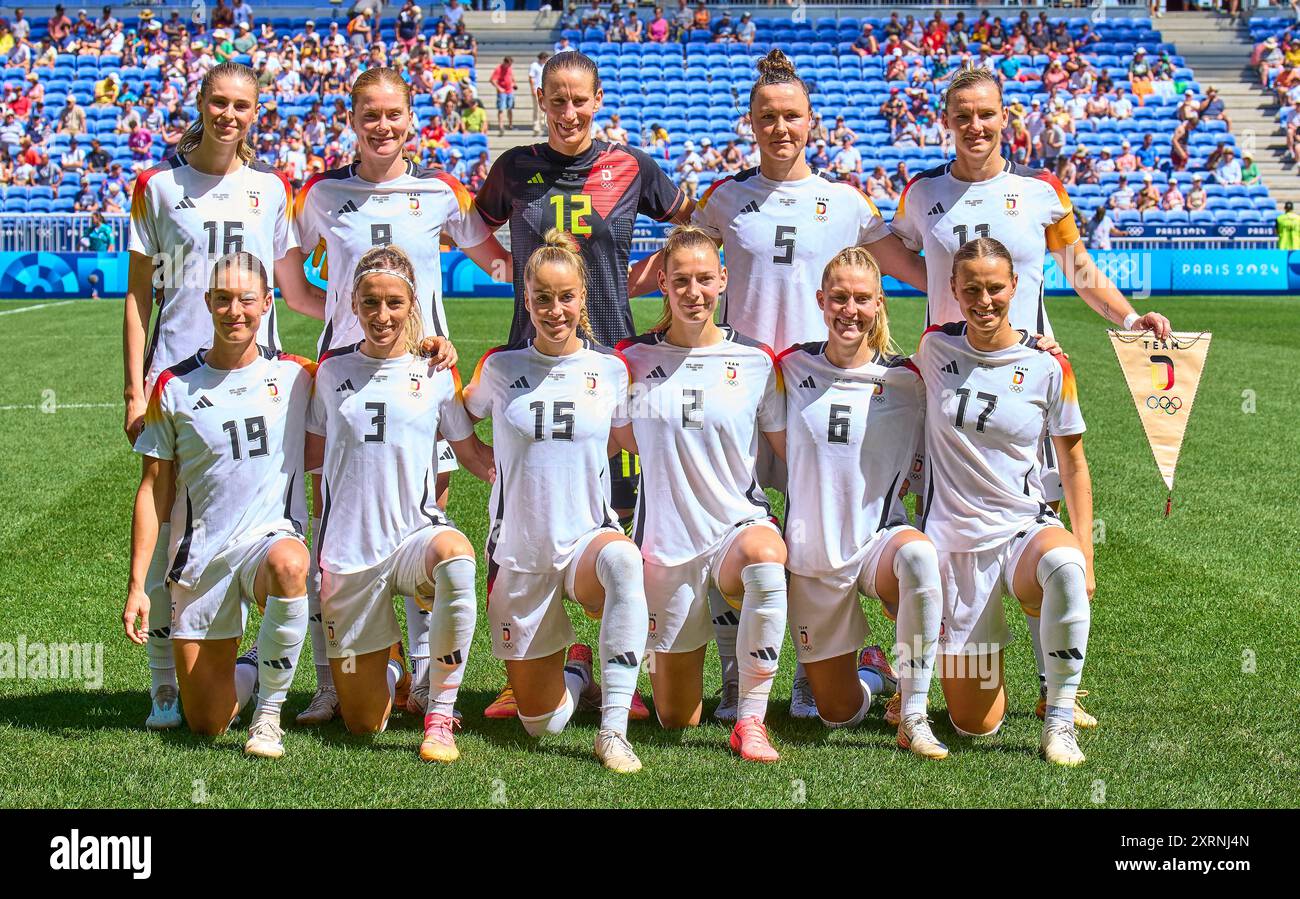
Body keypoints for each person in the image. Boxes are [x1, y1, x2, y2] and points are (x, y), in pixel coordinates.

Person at [630, 49, 926, 721]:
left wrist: (990, 313)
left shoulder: (847, 203)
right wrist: (598, 291)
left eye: (791, 116)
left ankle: (816, 667)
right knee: (738, 535)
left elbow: (907, 269)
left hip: (823, 399)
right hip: (740, 396)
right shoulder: (726, 199)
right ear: (750, 123)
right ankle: (739, 676)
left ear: (812, 122)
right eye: (767, 117)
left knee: (814, 539)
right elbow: (680, 265)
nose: (780, 128)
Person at [890, 67, 1169, 726]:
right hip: (951, 386)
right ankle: (930, 677)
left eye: (986, 113)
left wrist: (1132, 321)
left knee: (1037, 514)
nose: (975, 126)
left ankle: (1054, 686)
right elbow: (893, 254)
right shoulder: (922, 193)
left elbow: (1079, 271)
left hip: (1028, 380)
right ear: (947, 121)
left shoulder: (1040, 191)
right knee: (946, 523)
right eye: (962, 115)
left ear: (1005, 116)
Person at [289, 67, 508, 725]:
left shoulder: (440, 193)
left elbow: (500, 262)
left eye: (394, 115)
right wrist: (333, 338)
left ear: (411, 120)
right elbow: (292, 283)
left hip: (421, 388)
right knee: (334, 531)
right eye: (370, 115)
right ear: (352, 120)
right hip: (347, 393)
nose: (382, 126)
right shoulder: (323, 194)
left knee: (423, 524)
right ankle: (333, 682)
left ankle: (418, 680)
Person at [473, 52, 691, 704]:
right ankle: (539, 668)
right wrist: (503, 272)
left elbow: (691, 227)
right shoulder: (514, 169)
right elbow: (473, 228)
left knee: (620, 525)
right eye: (556, 101)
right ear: (540, 100)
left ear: (598, 99)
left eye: (579, 100)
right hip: (531, 366)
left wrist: (647, 279)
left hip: (608, 364)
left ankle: (623, 671)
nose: (568, 114)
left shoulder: (631, 166)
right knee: (528, 522)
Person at [123, 63, 316, 730]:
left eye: (242, 105)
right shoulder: (159, 187)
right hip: (177, 382)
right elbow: (136, 293)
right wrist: (133, 385)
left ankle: (265, 693)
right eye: (219, 101)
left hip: (251, 378)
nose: (229, 114)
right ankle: (162, 690)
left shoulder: (270, 189)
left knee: (256, 529)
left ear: (254, 113)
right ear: (200, 103)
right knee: (173, 525)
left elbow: (293, 292)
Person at [462, 231, 651, 774]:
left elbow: (636, 438)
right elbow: (455, 418)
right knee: (541, 724)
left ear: (583, 297)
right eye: (542, 298)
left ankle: (613, 730)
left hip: (587, 538)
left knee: (623, 560)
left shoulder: (611, 370)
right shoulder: (498, 368)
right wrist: (488, 467)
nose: (554, 309)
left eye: (565, 296)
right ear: (526, 300)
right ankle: (576, 673)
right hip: (519, 550)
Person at [123, 252, 313, 759]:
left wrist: (429, 347)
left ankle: (270, 716)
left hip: (267, 545)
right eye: (223, 299)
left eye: (247, 299)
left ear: (267, 303)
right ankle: (251, 666)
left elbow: (368, 369)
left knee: (292, 564)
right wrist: (138, 584)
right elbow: (153, 490)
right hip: (202, 560)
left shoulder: (298, 376)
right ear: (207, 303)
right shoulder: (175, 386)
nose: (235, 311)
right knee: (206, 723)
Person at [915, 238, 1095, 766]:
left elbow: (1074, 464)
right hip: (954, 544)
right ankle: (910, 677)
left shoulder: (1049, 366)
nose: (985, 299)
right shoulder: (934, 349)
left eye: (996, 287)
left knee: (1062, 565)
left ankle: (1059, 719)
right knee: (975, 724)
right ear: (952, 290)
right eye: (971, 289)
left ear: (1016, 286)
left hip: (1020, 529)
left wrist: (1085, 549)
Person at [612, 227, 788, 761]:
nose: (694, 292)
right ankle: (583, 667)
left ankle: (750, 718)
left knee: (765, 558)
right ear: (661, 282)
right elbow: (622, 441)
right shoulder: (632, 360)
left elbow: (791, 449)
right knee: (675, 717)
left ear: (723, 281)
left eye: (705, 279)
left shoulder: (757, 360)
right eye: (681, 280)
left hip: (737, 528)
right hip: (666, 541)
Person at [307, 247, 491, 758]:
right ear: (352, 305)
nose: (382, 315)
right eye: (370, 303)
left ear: (413, 305)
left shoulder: (434, 372)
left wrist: (528, 478)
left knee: (456, 557)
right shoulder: (328, 372)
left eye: (394, 303)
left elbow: (471, 452)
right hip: (349, 554)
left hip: (414, 538)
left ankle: (439, 711)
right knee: (364, 725)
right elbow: (305, 455)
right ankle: (390, 667)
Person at [779, 247, 946, 758]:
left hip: (879, 540)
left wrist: (1037, 346)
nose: (849, 310)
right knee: (839, 714)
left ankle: (914, 714)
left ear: (879, 304)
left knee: (919, 557)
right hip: (813, 557)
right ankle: (876, 672)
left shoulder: (908, 381)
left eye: (862, 299)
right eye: (839, 298)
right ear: (820, 301)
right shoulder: (786, 368)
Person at [489, 56, 516, 136]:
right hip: (502, 92)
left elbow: (512, 77)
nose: (510, 66)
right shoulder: (498, 69)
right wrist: (499, 88)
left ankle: (510, 125)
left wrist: (514, 84)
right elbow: (492, 80)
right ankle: (501, 126)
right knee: (501, 109)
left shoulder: (509, 68)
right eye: (509, 64)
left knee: (510, 108)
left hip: (510, 91)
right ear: (505, 62)